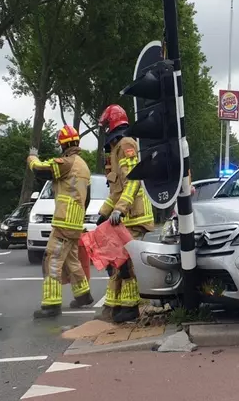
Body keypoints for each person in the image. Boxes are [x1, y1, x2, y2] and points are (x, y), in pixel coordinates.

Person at [97, 104, 155, 323]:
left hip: (135, 217)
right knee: (117, 262)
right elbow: (116, 190)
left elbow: (133, 182)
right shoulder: (115, 148)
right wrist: (103, 214)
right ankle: (115, 308)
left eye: (105, 126)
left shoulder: (126, 144)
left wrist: (119, 210)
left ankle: (130, 309)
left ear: (112, 124)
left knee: (124, 262)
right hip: (125, 218)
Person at [28, 125, 93, 319]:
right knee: (71, 259)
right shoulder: (83, 165)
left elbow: (41, 170)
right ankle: (83, 295)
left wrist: (32, 158)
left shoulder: (67, 162)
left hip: (64, 220)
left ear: (62, 144)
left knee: (52, 259)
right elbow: (87, 198)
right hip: (75, 220)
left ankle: (51, 304)